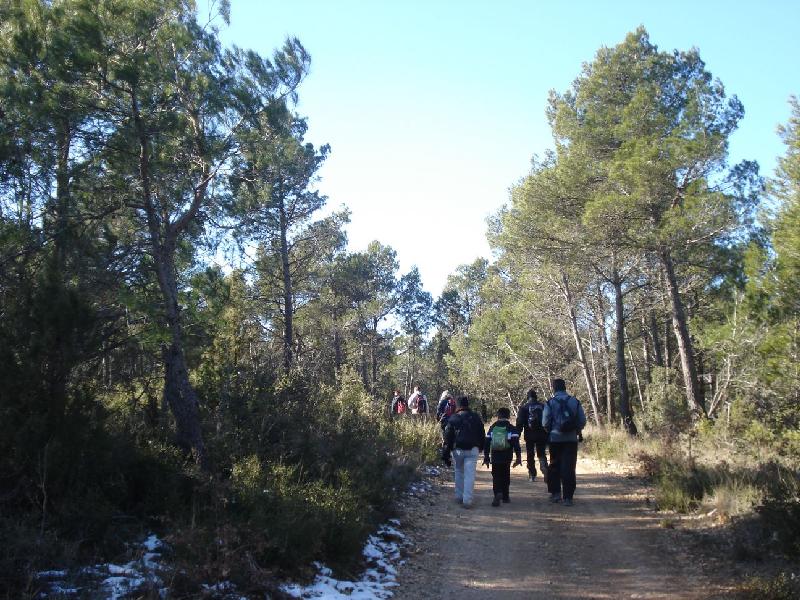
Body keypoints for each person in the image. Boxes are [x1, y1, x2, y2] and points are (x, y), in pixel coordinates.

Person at [543, 379, 587, 506]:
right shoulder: (574, 401)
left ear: (554, 388)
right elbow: (582, 420)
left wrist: (550, 431)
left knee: (555, 465)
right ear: (565, 387)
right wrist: (576, 430)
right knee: (569, 467)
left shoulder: (550, 402)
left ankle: (556, 494)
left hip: (555, 439)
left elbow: (545, 422)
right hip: (571, 439)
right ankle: (568, 497)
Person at [441, 396, 485, 508]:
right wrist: (482, 448)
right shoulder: (475, 417)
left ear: (458, 405)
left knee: (459, 472)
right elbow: (481, 433)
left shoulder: (453, 418)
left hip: (458, 450)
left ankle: (459, 496)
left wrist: (446, 452)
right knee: (470, 475)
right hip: (473, 449)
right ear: (467, 404)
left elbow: (447, 437)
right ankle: (467, 500)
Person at [483, 407, 522, 506]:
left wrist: (486, 457)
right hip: (507, 456)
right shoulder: (511, 428)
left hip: (495, 456)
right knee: (505, 475)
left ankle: (497, 493)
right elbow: (516, 444)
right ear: (508, 416)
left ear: (498, 416)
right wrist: (518, 458)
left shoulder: (493, 427)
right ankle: (505, 496)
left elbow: (487, 443)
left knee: (496, 476)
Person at [516, 388, 549, 482]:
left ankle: (532, 474)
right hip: (542, 434)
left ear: (528, 397)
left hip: (529, 434)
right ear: (536, 397)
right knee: (541, 453)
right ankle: (544, 468)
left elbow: (520, 422)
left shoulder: (524, 407)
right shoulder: (543, 406)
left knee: (530, 454)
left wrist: (517, 435)